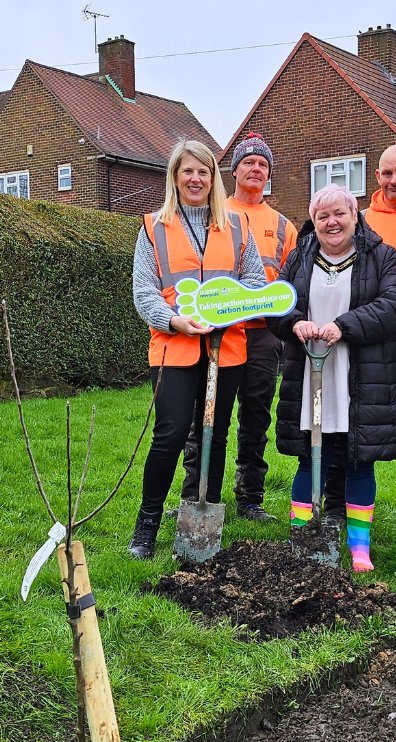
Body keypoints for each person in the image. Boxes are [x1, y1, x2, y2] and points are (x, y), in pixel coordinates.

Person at [128, 139, 266, 559]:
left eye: (203, 172)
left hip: (227, 351)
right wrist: (175, 320)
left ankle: (199, 511)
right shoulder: (153, 226)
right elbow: (143, 291)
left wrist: (227, 310)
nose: (195, 179)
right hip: (174, 348)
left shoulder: (237, 227)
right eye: (187, 171)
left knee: (214, 435)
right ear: (174, 177)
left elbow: (257, 284)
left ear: (213, 179)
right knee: (169, 435)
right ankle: (146, 526)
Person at [270, 184, 396, 572]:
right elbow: (276, 305)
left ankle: (358, 547)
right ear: (313, 222)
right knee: (309, 457)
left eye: (339, 214)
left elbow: (393, 305)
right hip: (311, 374)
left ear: (354, 214)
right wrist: (295, 324)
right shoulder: (298, 258)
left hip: (359, 377)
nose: (332, 222)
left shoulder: (381, 256)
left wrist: (343, 326)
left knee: (358, 460)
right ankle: (304, 537)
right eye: (322, 216)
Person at [177, 133, 297, 522]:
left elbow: (291, 280)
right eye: (249, 162)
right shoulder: (215, 214)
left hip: (262, 333)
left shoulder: (283, 225)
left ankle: (249, 497)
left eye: (263, 164)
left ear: (269, 174)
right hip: (216, 332)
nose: (256, 169)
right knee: (206, 414)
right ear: (234, 170)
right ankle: (195, 492)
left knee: (256, 415)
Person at [322, 144, 396, 538]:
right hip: (365, 336)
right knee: (346, 421)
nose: (393, 180)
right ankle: (335, 505)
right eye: (386, 173)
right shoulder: (362, 219)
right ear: (377, 177)